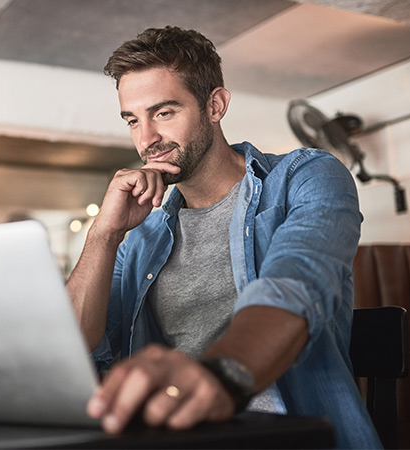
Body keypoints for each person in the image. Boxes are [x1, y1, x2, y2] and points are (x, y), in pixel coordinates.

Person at [66, 26, 380, 449]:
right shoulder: (139, 236)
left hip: (292, 436)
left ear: (215, 105)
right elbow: (75, 347)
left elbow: (295, 287)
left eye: (164, 113)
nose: (146, 139)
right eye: (133, 120)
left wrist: (217, 378)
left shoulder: (306, 177)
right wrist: (104, 234)